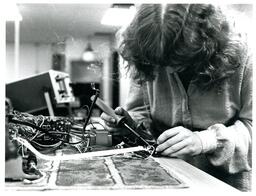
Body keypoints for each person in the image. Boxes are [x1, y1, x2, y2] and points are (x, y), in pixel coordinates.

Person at [101, 4, 252, 191]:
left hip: (224, 185)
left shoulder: (246, 56)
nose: (169, 70)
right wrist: (128, 125)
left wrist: (205, 141)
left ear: (206, 42)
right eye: (161, 63)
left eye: (179, 61)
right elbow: (141, 111)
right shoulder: (147, 55)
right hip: (163, 178)